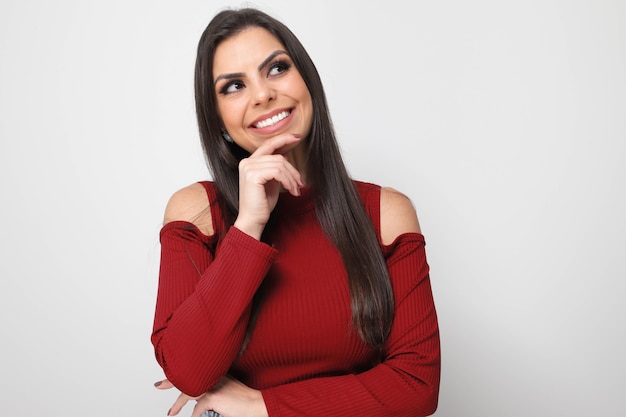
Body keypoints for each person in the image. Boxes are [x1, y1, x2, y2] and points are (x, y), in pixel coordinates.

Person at [151, 6, 440, 417]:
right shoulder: (199, 213)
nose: (262, 94)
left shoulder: (385, 213)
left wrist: (262, 404)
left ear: (308, 81)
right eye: (233, 86)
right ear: (218, 120)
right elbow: (189, 373)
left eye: (276, 68)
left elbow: (417, 386)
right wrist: (249, 226)